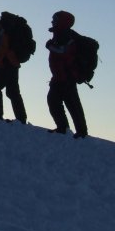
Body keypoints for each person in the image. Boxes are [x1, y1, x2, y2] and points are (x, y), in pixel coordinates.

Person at [45, 10, 88, 138]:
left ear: (62, 21)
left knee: (72, 104)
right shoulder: (59, 35)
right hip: (59, 76)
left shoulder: (68, 37)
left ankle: (81, 133)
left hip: (67, 77)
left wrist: (50, 46)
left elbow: (64, 52)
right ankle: (63, 128)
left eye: (55, 19)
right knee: (54, 101)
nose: (53, 21)